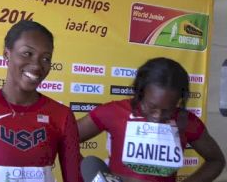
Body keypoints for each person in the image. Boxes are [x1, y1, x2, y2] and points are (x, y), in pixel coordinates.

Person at [0, 20, 83, 182]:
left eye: (46, 58)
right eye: (27, 53)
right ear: (7, 54)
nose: (36, 65)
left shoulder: (62, 116)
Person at [78, 57, 226, 182]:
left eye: (168, 109)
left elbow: (216, 161)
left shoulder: (186, 121)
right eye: (151, 107)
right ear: (140, 92)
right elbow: (66, 139)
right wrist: (93, 173)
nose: (158, 116)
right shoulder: (113, 112)